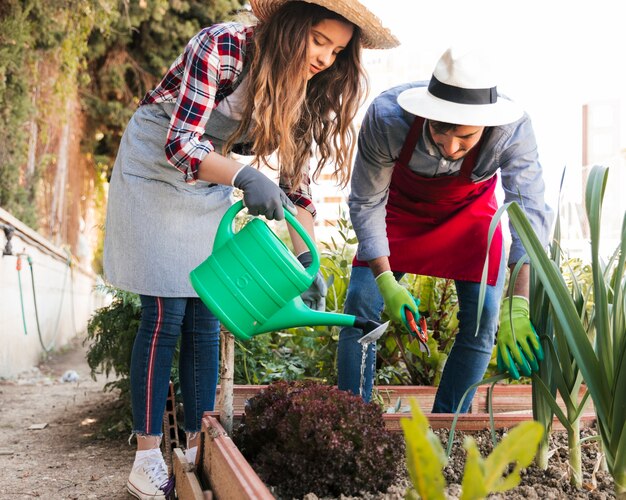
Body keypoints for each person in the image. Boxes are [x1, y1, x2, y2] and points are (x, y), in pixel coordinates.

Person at [102, 0, 397, 498]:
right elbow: (180, 144)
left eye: (337, 50)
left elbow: (297, 188)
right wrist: (243, 174)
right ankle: (147, 459)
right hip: (156, 166)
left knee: (205, 316)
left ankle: (194, 451)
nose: (325, 58)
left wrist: (306, 259)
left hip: (209, 177)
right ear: (288, 26)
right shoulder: (222, 46)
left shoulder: (304, 88)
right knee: (166, 313)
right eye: (319, 40)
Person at [337, 46, 553, 414]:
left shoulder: (513, 131)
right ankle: (352, 418)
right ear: (427, 113)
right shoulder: (388, 118)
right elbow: (366, 202)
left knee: (483, 321)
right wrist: (386, 281)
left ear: (486, 125)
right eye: (439, 130)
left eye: (465, 138)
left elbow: (529, 214)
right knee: (360, 305)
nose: (450, 147)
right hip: (397, 214)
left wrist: (518, 302)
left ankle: (447, 424)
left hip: (470, 217)